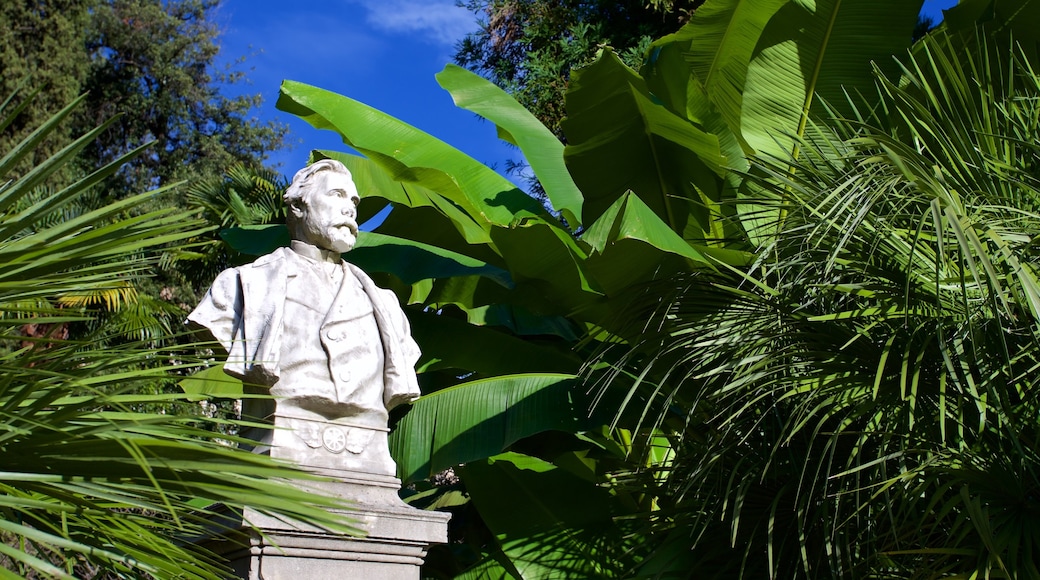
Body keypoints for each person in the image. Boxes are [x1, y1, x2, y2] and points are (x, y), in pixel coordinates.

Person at [188, 159, 421, 440]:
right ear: (298, 206)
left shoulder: (385, 306)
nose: (349, 208)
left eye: (354, 201)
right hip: (278, 446)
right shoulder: (241, 285)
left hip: (368, 453)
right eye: (336, 195)